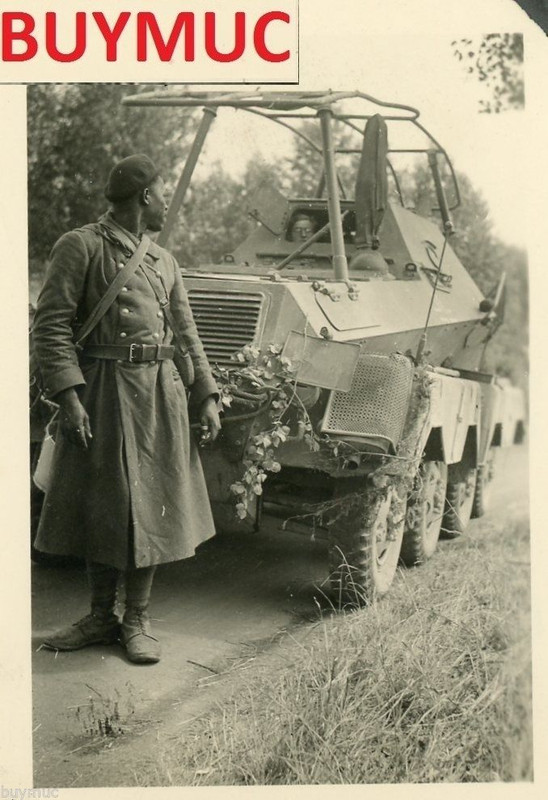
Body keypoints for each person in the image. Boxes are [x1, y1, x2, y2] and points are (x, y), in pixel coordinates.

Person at [32, 154, 221, 664]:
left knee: (152, 501)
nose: (167, 205)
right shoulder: (80, 245)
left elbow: (186, 333)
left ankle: (136, 619)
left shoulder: (165, 261)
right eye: (163, 195)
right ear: (145, 196)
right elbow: (51, 326)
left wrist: (206, 394)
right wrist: (69, 395)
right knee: (105, 503)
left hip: (160, 393)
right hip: (103, 390)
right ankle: (100, 617)